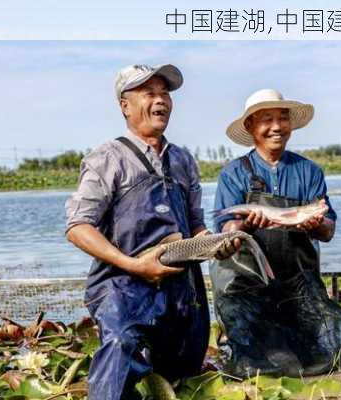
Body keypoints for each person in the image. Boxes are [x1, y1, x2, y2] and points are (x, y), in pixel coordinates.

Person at [65, 64, 239, 400]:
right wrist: (133, 265)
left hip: (181, 290)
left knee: (182, 373)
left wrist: (217, 245)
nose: (160, 100)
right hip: (124, 287)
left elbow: (195, 226)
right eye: (149, 93)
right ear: (124, 105)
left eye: (165, 93)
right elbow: (77, 227)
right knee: (120, 348)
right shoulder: (108, 158)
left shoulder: (183, 160)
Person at [212, 88, 341, 378]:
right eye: (267, 119)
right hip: (247, 290)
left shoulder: (309, 171)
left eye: (282, 118)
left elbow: (328, 229)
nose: (276, 127)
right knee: (266, 352)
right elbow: (226, 233)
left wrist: (314, 223)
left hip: (299, 291)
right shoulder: (233, 174)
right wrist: (245, 225)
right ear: (251, 126)